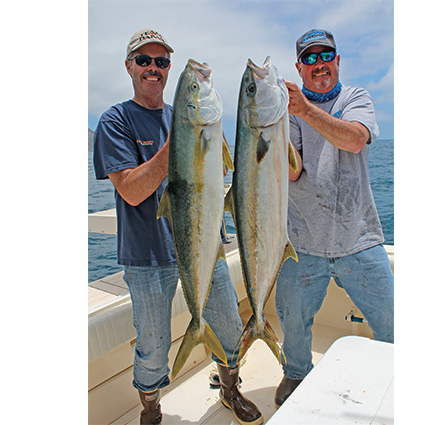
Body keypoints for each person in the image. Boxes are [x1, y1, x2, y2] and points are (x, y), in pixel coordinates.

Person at [92, 28, 262, 425]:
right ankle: (151, 409)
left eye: (162, 61)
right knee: (152, 345)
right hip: (147, 257)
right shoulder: (115, 121)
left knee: (227, 323)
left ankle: (229, 388)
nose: (154, 68)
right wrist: (179, 146)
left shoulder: (185, 117)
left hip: (206, 246)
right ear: (129, 66)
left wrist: (205, 142)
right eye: (145, 60)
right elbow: (132, 192)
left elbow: (219, 171)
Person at [274, 29, 395, 408]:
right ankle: (295, 373)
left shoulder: (355, 98)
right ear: (299, 67)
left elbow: (355, 139)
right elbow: (291, 172)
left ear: (338, 60)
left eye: (325, 55)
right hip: (303, 241)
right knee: (292, 319)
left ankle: (393, 376)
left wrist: (305, 109)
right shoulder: (286, 112)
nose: (318, 64)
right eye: (309, 59)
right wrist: (270, 124)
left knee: (393, 321)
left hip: (358, 238)